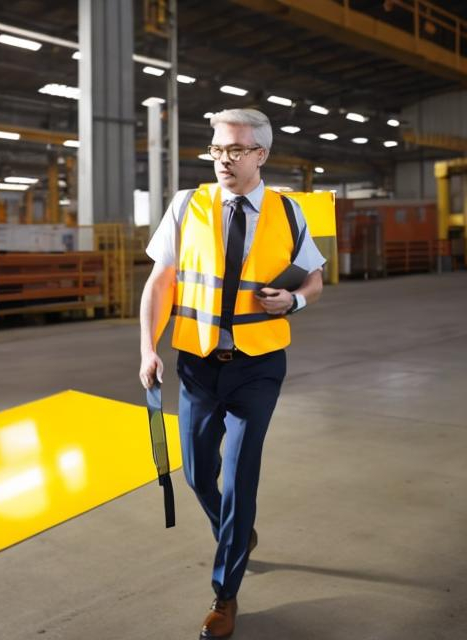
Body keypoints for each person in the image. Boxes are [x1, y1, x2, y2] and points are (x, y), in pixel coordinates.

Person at [139, 108, 325, 639]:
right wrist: (147, 350)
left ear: (261, 155)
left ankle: (225, 596)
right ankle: (238, 532)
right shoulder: (186, 206)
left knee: (241, 478)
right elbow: (160, 283)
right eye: (217, 149)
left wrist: (294, 300)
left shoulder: (288, 212)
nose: (224, 159)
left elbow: (313, 278)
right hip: (197, 364)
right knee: (198, 472)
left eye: (236, 150)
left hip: (259, 365)